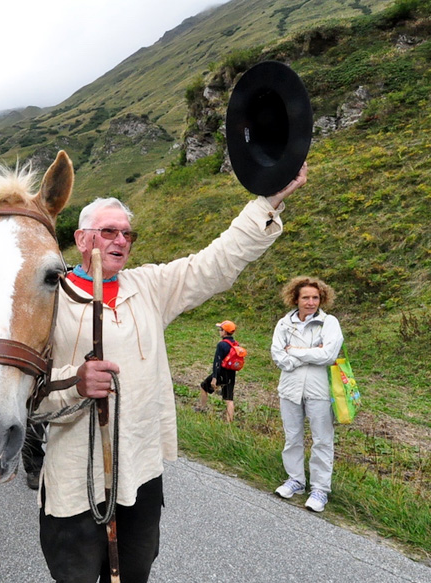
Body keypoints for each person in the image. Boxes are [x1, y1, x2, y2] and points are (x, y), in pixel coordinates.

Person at [34, 163, 307, 583]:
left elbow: (215, 263)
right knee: (75, 575)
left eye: (127, 233)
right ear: (81, 238)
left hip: (141, 469)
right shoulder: (49, 300)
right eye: (109, 231)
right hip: (75, 474)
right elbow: (28, 390)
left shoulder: (150, 287)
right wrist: (75, 383)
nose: (121, 240)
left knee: (135, 571)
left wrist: (268, 202)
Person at [270, 276, 342, 513]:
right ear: (295, 298)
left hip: (319, 391)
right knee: (292, 437)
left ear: (322, 299)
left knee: (322, 440)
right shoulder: (284, 324)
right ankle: (296, 481)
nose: (311, 302)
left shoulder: (329, 323)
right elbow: (278, 357)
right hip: (289, 389)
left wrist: (296, 351)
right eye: (306, 297)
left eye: (315, 297)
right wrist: (311, 353)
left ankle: (320, 489)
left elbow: (328, 356)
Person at [197, 320, 238, 422]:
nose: (219, 331)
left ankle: (202, 408)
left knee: (203, 386)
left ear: (224, 332)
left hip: (221, 373)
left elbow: (217, 362)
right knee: (229, 399)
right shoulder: (235, 344)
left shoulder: (221, 345)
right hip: (231, 374)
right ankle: (229, 422)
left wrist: (214, 378)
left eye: (221, 329)